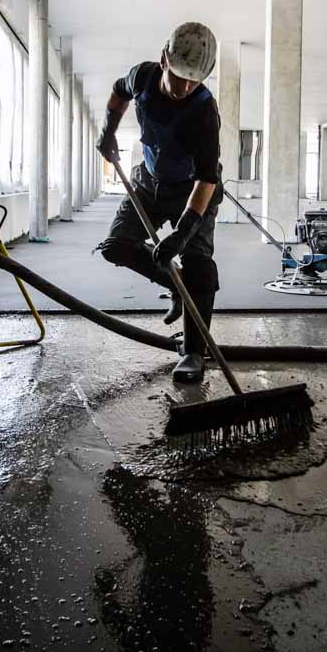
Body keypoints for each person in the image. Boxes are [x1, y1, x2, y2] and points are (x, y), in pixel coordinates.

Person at [96, 21, 222, 383]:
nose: (184, 88)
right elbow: (118, 92)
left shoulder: (203, 110)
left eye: (193, 81)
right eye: (179, 77)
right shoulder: (143, 78)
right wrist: (108, 131)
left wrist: (181, 234)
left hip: (194, 190)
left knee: (199, 264)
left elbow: (207, 179)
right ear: (164, 58)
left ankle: (194, 353)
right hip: (149, 181)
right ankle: (174, 284)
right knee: (116, 246)